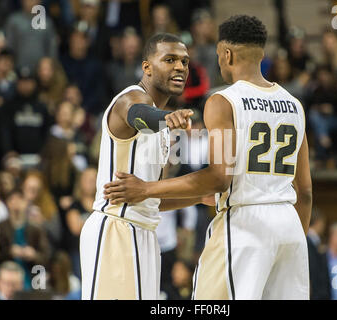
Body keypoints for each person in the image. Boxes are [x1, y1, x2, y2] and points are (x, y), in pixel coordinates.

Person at [104, 15, 312, 300]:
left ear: (226, 54)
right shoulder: (294, 105)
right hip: (290, 227)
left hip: (245, 224)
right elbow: (306, 191)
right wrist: (293, 239)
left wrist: (146, 189)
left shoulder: (223, 100)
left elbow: (218, 177)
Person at [80, 32, 195, 300]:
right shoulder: (130, 99)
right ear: (147, 67)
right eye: (170, 60)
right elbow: (141, 115)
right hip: (115, 230)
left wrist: (198, 195)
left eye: (185, 62)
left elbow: (148, 195)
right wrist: (167, 117)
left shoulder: (165, 127)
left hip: (146, 234)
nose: (180, 67)